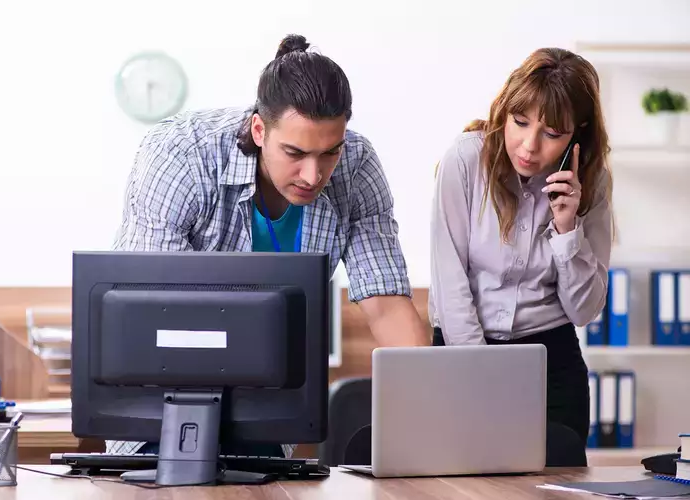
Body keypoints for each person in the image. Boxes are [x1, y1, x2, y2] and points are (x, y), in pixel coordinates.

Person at [108, 34, 429, 457]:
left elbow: (387, 307)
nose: (313, 175)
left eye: (329, 153)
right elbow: (150, 309)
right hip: (161, 403)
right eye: (295, 153)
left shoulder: (356, 167)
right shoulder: (182, 155)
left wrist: (431, 412)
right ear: (259, 130)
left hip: (266, 412)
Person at [428, 47, 614, 448]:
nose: (529, 146)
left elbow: (583, 311)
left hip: (551, 367)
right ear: (504, 111)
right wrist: (482, 377)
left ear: (577, 134)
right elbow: (449, 285)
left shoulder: (592, 183)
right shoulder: (465, 160)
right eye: (520, 122)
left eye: (552, 134)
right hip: (464, 355)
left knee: (555, 478)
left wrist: (567, 229)